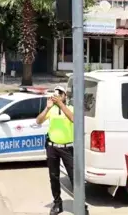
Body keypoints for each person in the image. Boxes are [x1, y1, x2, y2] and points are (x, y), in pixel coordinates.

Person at [35, 86, 88, 215]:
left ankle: (81, 204)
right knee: (54, 176)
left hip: (67, 148)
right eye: (56, 93)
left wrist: (60, 104)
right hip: (52, 147)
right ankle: (57, 203)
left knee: (74, 177)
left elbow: (73, 119)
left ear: (65, 96)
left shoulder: (70, 108)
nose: (57, 95)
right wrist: (47, 107)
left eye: (60, 93)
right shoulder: (51, 109)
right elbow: (38, 120)